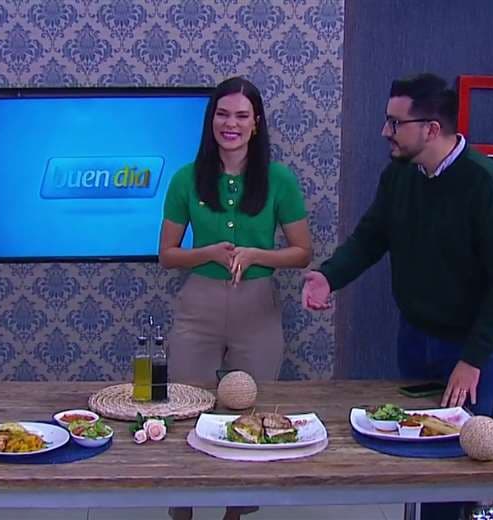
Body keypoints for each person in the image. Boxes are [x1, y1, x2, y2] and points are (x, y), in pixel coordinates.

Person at [302, 73, 493, 520]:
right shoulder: (400, 174)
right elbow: (372, 235)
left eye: (395, 123)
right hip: (415, 336)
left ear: (431, 129)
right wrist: (329, 277)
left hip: (471, 346)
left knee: (454, 456)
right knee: (413, 447)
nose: (385, 131)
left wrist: (472, 359)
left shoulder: (489, 187)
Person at [159, 77, 312, 520]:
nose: (232, 124)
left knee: (250, 411)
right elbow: (167, 255)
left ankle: (234, 511)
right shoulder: (186, 178)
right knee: (185, 407)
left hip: (258, 308)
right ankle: (182, 507)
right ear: (211, 121)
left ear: (256, 123)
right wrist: (207, 252)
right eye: (223, 114)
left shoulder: (279, 179)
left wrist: (257, 254)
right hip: (198, 306)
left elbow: (303, 252)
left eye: (242, 116)